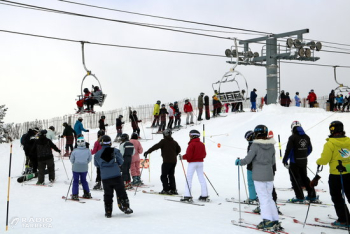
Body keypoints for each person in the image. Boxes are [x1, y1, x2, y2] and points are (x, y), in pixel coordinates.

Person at [235, 125, 282, 231]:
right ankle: (275, 219)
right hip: (269, 175)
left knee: (263, 198)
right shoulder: (271, 145)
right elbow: (273, 161)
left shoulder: (255, 145)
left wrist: (239, 162)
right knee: (269, 198)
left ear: (256, 133)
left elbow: (248, 159)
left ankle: (267, 220)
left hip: (258, 176)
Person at [315, 121, 350, 227]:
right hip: (349, 173)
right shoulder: (349, 141)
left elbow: (324, 160)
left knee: (337, 197)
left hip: (336, 175)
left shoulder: (330, 143)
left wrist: (318, 162)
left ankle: (344, 220)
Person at [94, 135, 133, 218]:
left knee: (108, 194)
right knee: (121, 192)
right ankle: (126, 206)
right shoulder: (115, 151)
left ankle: (108, 211)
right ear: (110, 143)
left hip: (105, 177)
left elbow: (96, 164)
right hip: (116, 175)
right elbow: (121, 161)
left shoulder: (97, 154)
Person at [282, 121, 317, 203]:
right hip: (304, 161)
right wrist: (304, 155)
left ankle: (300, 197)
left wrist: (285, 160)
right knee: (305, 178)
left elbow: (289, 150)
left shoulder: (292, 137)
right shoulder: (307, 137)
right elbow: (310, 149)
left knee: (295, 179)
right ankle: (312, 195)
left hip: (294, 162)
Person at [144, 129, 181, 194]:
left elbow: (155, 146)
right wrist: (174, 154)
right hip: (174, 161)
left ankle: (166, 189)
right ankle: (173, 189)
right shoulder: (174, 142)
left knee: (164, 176)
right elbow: (179, 149)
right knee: (171, 175)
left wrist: (148, 152)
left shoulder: (163, 141)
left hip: (166, 161)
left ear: (165, 135)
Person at [180, 130, 208, 202]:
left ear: (192, 136)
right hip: (200, 163)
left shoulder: (191, 144)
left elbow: (189, 156)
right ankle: (204, 195)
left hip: (192, 163)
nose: (189, 137)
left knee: (189, 178)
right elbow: (204, 155)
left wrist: (182, 157)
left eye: (190, 135)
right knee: (201, 178)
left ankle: (187, 195)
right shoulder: (202, 144)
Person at [70, 136, 92, 200]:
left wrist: (75, 163)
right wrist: (85, 162)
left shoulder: (74, 151)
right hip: (84, 168)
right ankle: (87, 193)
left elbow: (71, 159)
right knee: (84, 180)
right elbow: (90, 159)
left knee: (75, 181)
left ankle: (75, 194)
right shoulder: (87, 150)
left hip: (76, 168)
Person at [244, 130, 258, 204]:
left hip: (251, 167)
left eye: (247, 138)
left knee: (251, 182)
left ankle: (252, 197)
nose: (247, 140)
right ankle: (256, 195)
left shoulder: (251, 145)